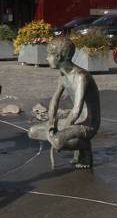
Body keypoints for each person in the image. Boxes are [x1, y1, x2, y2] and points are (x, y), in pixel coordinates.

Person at [27, 37, 101, 169]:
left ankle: (85, 147)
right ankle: (69, 140)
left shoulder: (81, 76)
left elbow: (76, 111)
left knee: (57, 141)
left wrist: (61, 131)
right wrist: (51, 122)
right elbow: (55, 100)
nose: (46, 58)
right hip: (74, 121)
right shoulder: (63, 75)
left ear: (59, 57)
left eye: (49, 55)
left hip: (88, 124)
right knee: (33, 132)